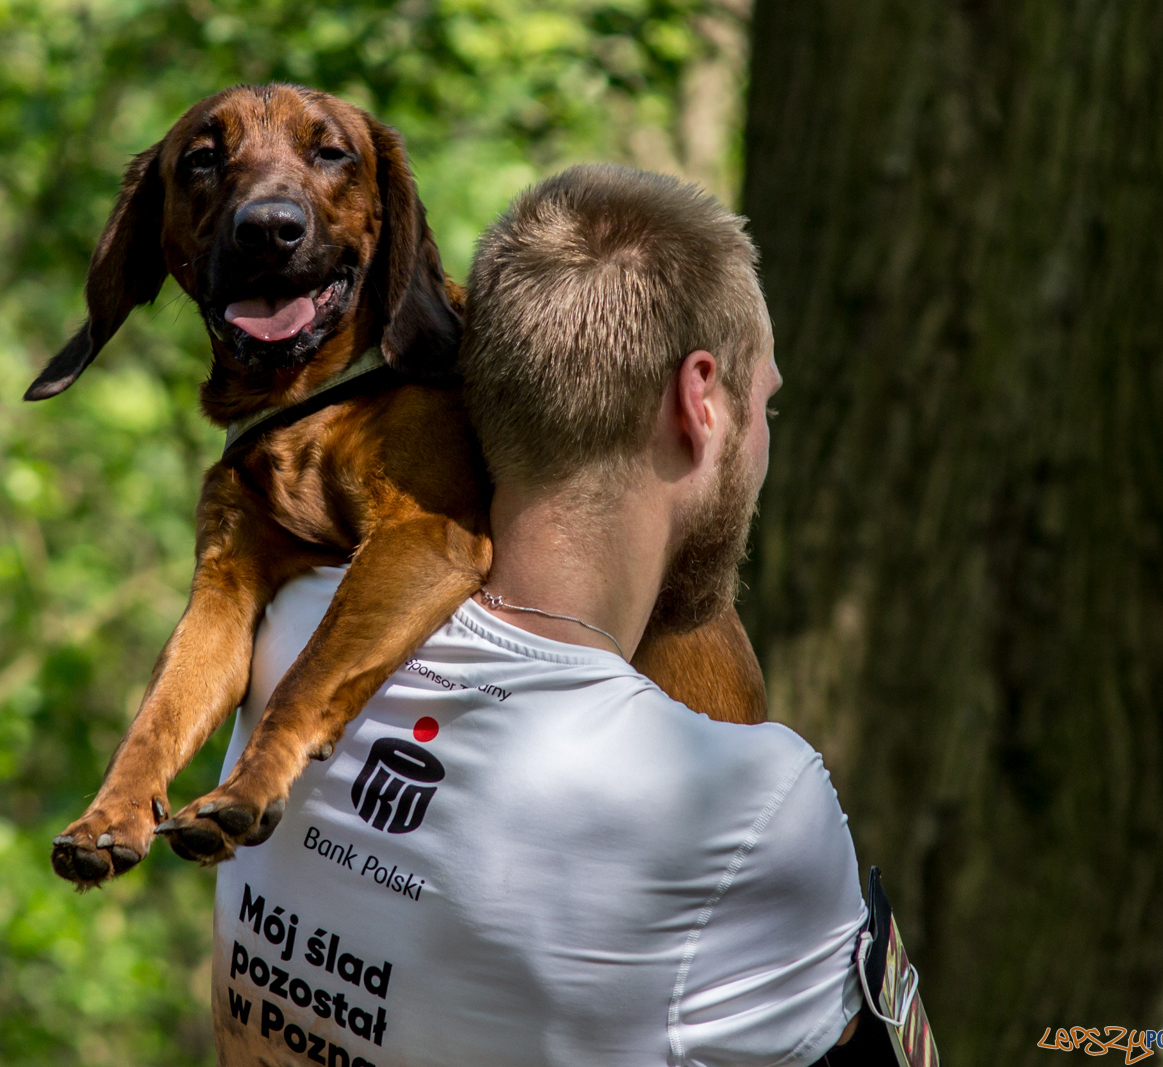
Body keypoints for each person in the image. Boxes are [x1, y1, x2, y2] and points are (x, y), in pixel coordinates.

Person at [208, 164, 868, 1066]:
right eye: (766, 406)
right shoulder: (747, 801)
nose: (764, 444)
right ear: (700, 399)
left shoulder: (284, 635)